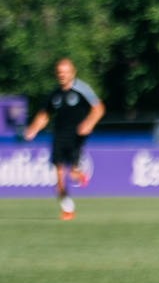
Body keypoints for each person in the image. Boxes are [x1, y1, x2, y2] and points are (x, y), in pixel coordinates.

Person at [22, 59, 103, 220]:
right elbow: (44, 115)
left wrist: (89, 123)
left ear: (72, 73)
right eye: (60, 72)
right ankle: (67, 208)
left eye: (65, 72)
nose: (62, 75)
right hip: (59, 137)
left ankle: (79, 173)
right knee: (58, 177)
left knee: (72, 175)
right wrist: (33, 129)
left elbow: (98, 108)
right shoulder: (55, 94)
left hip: (76, 137)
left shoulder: (81, 89)